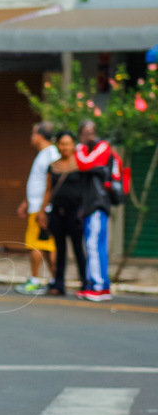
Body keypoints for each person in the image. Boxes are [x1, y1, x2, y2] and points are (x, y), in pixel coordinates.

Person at [39, 131, 87, 297]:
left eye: (68, 143)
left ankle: (85, 283)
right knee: (59, 250)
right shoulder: (52, 166)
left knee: (78, 249)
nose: (65, 147)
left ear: (73, 145)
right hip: (57, 213)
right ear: (57, 145)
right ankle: (58, 284)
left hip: (75, 213)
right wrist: (42, 212)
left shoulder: (81, 165)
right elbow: (48, 190)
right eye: (62, 143)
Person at [75, 120, 117, 301]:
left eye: (92, 131)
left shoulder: (102, 147)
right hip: (90, 205)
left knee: (93, 244)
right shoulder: (89, 149)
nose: (90, 134)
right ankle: (97, 285)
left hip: (98, 204)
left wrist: (80, 145)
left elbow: (83, 163)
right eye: (86, 131)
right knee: (95, 245)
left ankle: (99, 286)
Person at [15, 122, 59, 295]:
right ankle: (55, 280)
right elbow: (37, 182)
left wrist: (43, 209)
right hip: (36, 206)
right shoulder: (43, 154)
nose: (31, 137)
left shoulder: (52, 155)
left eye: (33, 134)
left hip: (42, 209)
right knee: (46, 246)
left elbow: (51, 184)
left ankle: (34, 280)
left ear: (40, 136)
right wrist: (26, 202)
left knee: (35, 245)